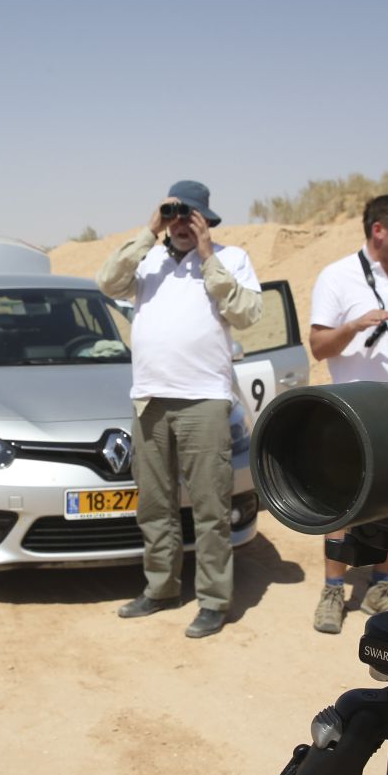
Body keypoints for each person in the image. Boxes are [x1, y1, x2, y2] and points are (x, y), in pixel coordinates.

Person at [96, 181, 262, 639]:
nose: (185, 226)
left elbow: (248, 313)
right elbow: (107, 281)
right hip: (150, 398)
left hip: (205, 401)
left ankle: (212, 600)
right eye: (177, 217)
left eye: (195, 219)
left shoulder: (230, 259)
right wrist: (148, 231)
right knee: (155, 504)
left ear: (208, 221)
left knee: (210, 507)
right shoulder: (146, 259)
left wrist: (209, 257)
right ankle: (161, 588)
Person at [307, 195, 388, 634]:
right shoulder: (338, 277)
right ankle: (333, 591)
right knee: (342, 505)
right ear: (379, 230)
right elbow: (318, 346)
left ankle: (382, 585)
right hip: (354, 418)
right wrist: (352, 327)